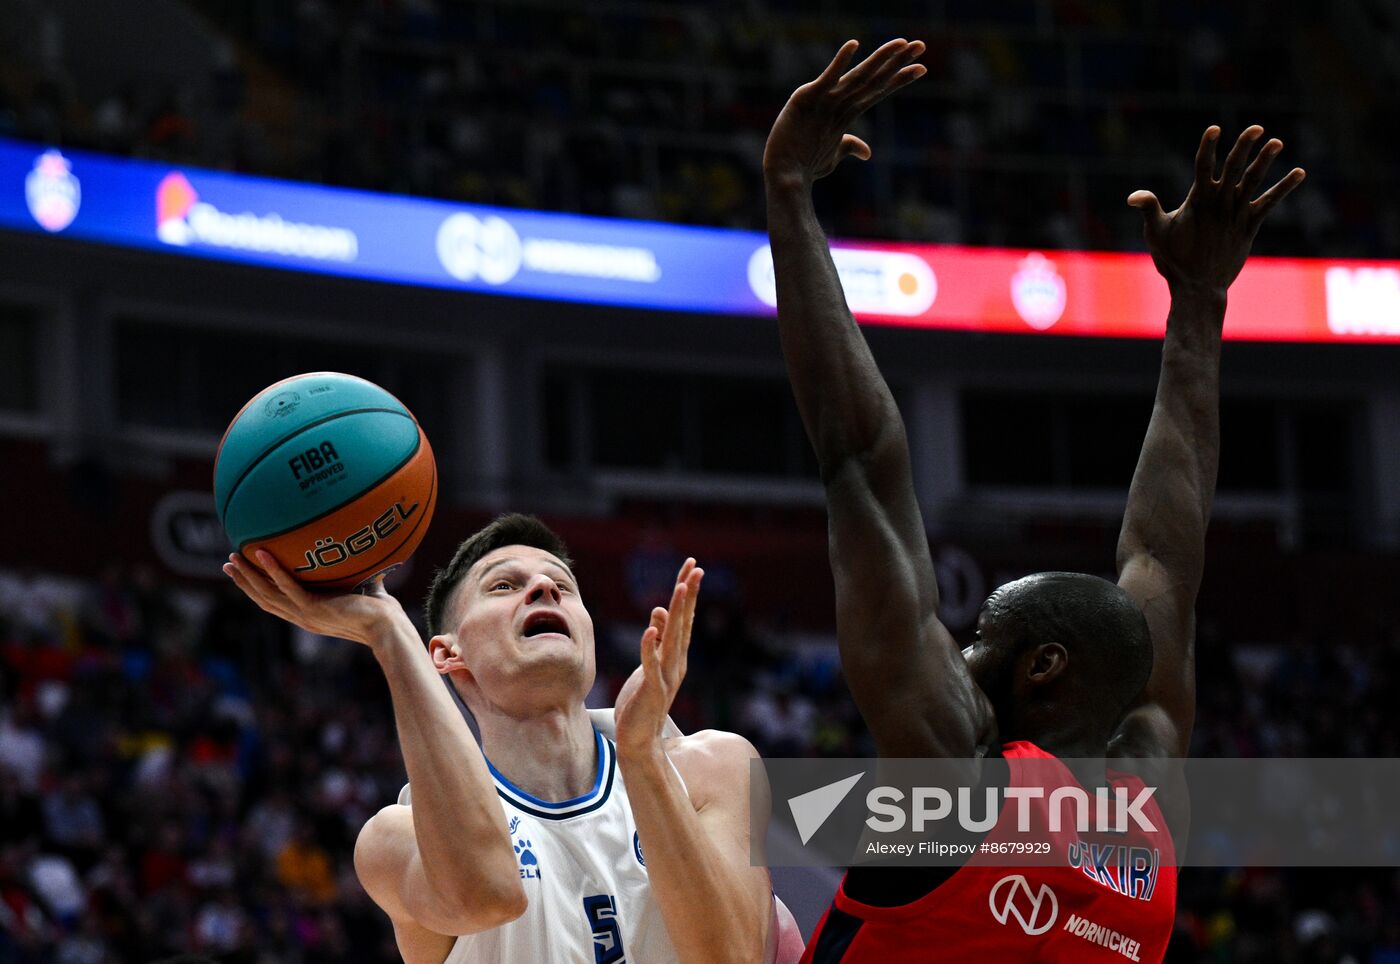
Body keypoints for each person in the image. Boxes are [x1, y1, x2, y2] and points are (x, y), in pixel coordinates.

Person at [762, 38, 1305, 962]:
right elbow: (1167, 560)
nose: (963, 652)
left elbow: (861, 460)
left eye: (984, 640)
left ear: (1043, 668)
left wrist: (788, 195)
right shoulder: (1148, 795)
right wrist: (1200, 306)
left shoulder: (959, 778)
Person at [224, 513, 793, 963]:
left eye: (563, 585)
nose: (544, 586)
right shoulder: (397, 838)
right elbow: (487, 894)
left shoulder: (711, 765)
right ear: (448, 654)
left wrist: (641, 755)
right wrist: (388, 630)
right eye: (503, 586)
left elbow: (731, 958)